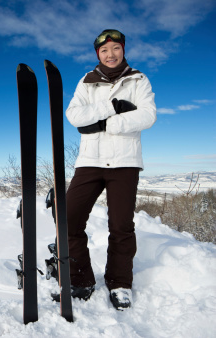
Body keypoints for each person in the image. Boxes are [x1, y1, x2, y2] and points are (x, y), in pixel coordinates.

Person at [63, 29, 156, 310]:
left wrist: (106, 124)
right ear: (98, 54)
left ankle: (120, 283)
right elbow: (74, 116)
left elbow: (148, 115)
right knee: (69, 218)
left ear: (123, 50)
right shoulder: (87, 81)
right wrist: (114, 107)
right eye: (104, 51)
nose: (111, 54)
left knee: (121, 226)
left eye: (116, 48)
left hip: (124, 163)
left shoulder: (138, 79)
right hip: (90, 161)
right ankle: (80, 278)